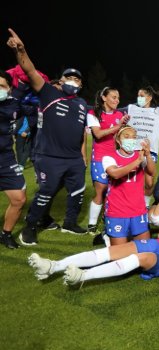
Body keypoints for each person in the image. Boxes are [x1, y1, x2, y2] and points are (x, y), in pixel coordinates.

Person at [27, 191, 159, 287]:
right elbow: (157, 218)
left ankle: (82, 277)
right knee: (114, 251)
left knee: (142, 258)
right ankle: (52, 266)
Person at [7, 29, 89, 245]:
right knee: (47, 192)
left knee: (78, 192)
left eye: (77, 80)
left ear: (81, 85)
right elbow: (30, 70)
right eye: (69, 78)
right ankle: (31, 225)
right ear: (60, 81)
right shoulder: (49, 93)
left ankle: (70, 223)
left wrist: (82, 158)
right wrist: (21, 51)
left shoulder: (81, 104)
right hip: (49, 157)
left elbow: (81, 133)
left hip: (74, 159)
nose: (73, 81)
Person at [102, 126, 156, 246]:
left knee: (144, 250)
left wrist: (147, 155)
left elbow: (151, 172)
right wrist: (137, 161)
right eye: (126, 136)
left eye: (133, 137)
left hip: (138, 210)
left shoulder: (140, 155)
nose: (130, 140)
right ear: (118, 139)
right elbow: (115, 174)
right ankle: (107, 236)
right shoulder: (109, 157)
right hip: (117, 210)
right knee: (120, 255)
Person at [86, 87, 129, 235]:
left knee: (113, 191)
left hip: (116, 158)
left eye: (118, 98)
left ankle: (107, 217)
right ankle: (91, 224)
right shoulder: (93, 114)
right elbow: (97, 134)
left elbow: (123, 136)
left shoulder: (120, 114)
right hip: (99, 157)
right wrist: (118, 126)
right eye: (113, 97)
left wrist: (124, 127)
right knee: (101, 190)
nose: (117, 100)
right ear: (104, 98)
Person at [127, 86, 159, 208]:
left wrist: (156, 135)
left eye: (142, 96)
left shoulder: (157, 112)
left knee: (149, 183)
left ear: (149, 98)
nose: (139, 98)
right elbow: (115, 112)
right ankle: (129, 205)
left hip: (150, 151)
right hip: (133, 150)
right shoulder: (131, 109)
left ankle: (145, 206)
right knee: (130, 180)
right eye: (138, 95)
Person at [0, 70, 26, 249]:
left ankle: (5, 234)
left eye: (1, 86)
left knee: (19, 198)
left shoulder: (15, 104)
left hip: (6, 157)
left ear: (9, 89)